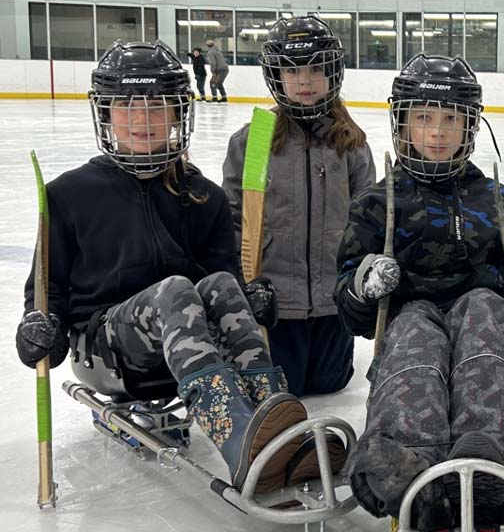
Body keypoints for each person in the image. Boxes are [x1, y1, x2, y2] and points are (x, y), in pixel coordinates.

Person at [14, 40, 323, 495]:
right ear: (105, 113)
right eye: (127, 106)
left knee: (217, 283)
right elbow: (47, 294)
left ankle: (274, 420)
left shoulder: (203, 196)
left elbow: (226, 289)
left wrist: (254, 300)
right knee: (176, 288)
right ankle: (239, 441)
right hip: (108, 353)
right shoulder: (68, 196)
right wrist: (39, 332)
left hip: (189, 350)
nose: (142, 120)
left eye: (158, 106)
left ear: (180, 112)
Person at [333, 54, 504, 530]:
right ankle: (415, 463)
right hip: (412, 317)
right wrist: (363, 286)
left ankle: (486, 461)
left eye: (450, 119)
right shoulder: (375, 202)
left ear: (470, 125)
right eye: (423, 118)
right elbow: (350, 306)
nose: (436, 132)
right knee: (416, 328)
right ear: (402, 122)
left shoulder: (494, 198)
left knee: (485, 312)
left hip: (479, 316)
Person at [223, 16, 375, 399]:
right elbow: (234, 217)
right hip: (276, 303)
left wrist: (356, 284)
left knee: (329, 383)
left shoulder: (350, 143)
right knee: (282, 387)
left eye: (316, 70)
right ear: (275, 76)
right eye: (292, 72)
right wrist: (246, 287)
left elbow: (366, 219)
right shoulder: (254, 140)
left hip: (332, 301)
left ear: (333, 74)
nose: (304, 81)